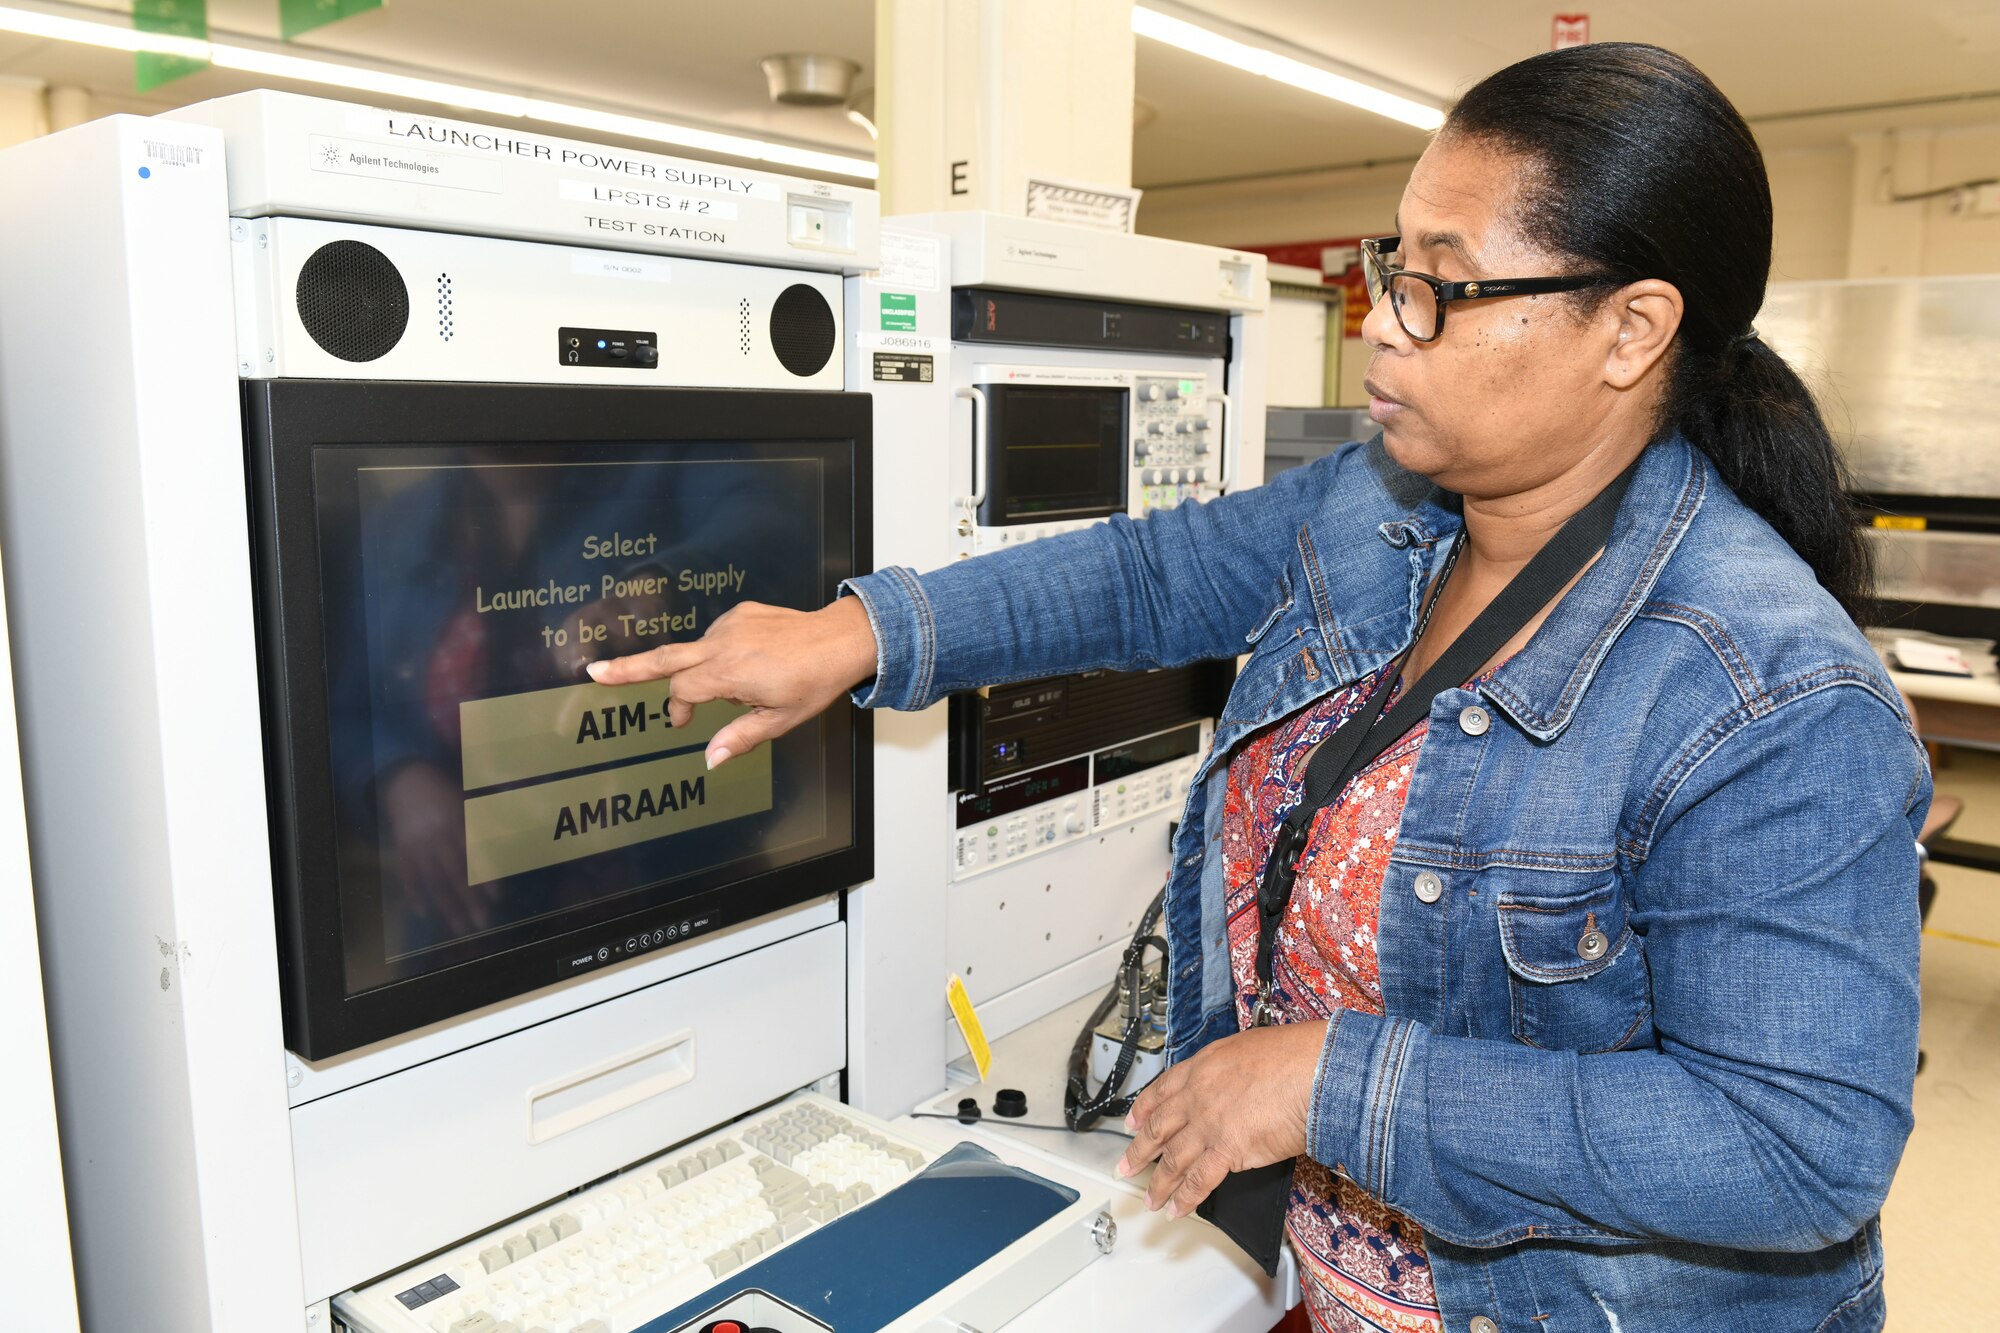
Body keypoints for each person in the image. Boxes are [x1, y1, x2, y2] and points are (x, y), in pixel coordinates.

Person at [588, 42, 1925, 1333]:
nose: (1380, 332)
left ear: (1631, 330)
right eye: (1388, 266)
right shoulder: (1387, 508)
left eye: (1441, 289)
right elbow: (1147, 577)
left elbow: (1794, 1144)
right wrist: (861, 633)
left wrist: (1333, 1083)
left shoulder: (1771, 700)